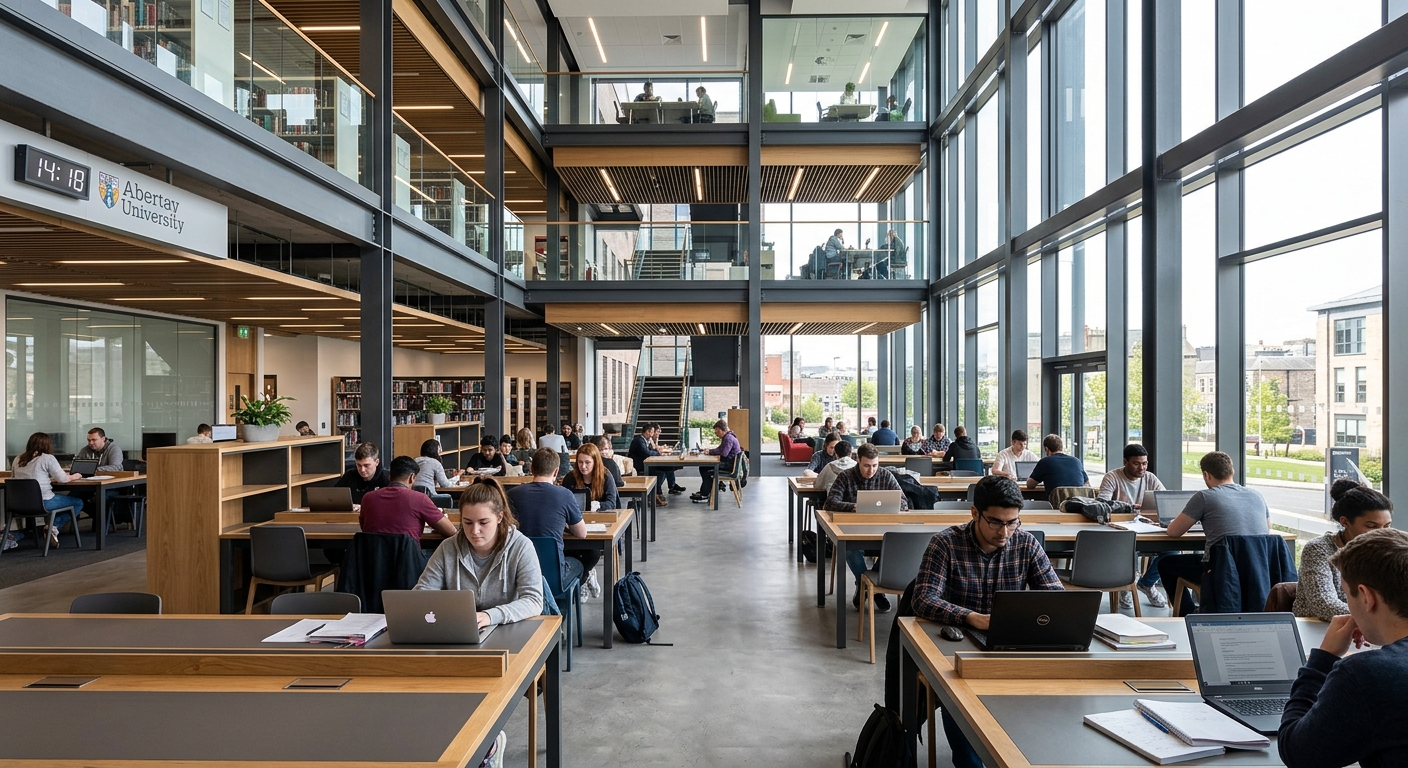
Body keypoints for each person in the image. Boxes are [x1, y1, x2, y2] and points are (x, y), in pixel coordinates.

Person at [911, 476, 1062, 768]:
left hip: (1010, 648)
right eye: (995, 522)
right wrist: (971, 618)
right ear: (974, 513)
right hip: (955, 650)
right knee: (962, 706)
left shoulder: (1026, 543)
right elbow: (923, 598)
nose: (1004, 531)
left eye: (1012, 522)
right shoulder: (946, 543)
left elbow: (1055, 598)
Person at [1277, 527, 1408, 768]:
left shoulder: (1368, 674)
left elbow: (1298, 754)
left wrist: (1323, 658)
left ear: (1366, 597)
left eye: (1348, 596)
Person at [415, 477, 544, 630]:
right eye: (467, 522)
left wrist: (491, 616)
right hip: (461, 629)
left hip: (507, 627)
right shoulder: (448, 547)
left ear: (499, 517)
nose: (474, 531)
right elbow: (421, 595)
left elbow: (534, 600)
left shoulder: (521, 546)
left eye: (483, 522)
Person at [1157, 451, 1271, 615]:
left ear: (1206, 475)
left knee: (1166, 563)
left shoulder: (1204, 496)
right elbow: (1267, 529)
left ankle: (1187, 614)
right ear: (1232, 471)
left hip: (1221, 571)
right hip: (1256, 570)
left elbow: (1174, 531)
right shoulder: (1256, 495)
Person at [824, 443, 908, 612]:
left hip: (882, 530)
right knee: (848, 548)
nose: (871, 470)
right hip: (852, 530)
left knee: (897, 546)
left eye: (875, 465)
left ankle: (866, 586)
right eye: (867, 466)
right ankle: (873, 590)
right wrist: (852, 507)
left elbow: (904, 502)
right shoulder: (845, 476)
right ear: (858, 460)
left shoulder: (885, 475)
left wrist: (893, 506)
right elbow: (830, 502)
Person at [1294, 484, 1393, 621]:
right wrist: (1378, 619)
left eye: (1387, 526)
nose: (1381, 533)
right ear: (1345, 522)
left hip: (1369, 629)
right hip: (1316, 628)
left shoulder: (1385, 551)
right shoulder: (1319, 549)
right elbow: (1324, 604)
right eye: (1372, 526)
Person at [508, 449, 599, 591]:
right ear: (556, 472)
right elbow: (582, 533)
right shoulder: (565, 495)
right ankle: (562, 607)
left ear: (532, 469)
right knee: (579, 564)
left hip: (519, 573)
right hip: (554, 574)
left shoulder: (512, 494)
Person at [1096, 443, 1169, 608]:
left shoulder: (1150, 478)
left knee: (1172, 550)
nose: (1141, 467)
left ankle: (1146, 583)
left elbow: (1164, 499)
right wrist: (1132, 507)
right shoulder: (1112, 477)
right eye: (1137, 463)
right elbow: (1102, 503)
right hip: (1120, 529)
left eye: (1144, 463)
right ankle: (1127, 586)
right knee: (1130, 545)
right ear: (1125, 462)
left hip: (1147, 527)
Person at [11, 432, 85, 549]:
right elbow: (63, 479)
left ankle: (48, 527)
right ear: (47, 445)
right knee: (78, 503)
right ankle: (53, 526)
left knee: (65, 501)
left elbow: (16, 479)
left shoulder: (17, 459)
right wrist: (74, 476)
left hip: (19, 504)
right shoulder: (47, 458)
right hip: (43, 502)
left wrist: (48, 479)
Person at [359, 456, 458, 541]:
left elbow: (364, 528)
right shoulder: (420, 499)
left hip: (373, 560)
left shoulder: (367, 498)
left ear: (389, 477)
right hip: (408, 561)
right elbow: (451, 531)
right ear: (412, 477)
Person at [690, 419, 742, 503]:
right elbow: (720, 449)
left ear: (722, 430)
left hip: (729, 466)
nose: (716, 434)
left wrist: (710, 452)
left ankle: (705, 494)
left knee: (705, 470)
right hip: (730, 463)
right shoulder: (728, 437)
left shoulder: (728, 438)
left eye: (717, 432)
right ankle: (708, 490)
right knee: (703, 468)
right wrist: (709, 451)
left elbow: (724, 453)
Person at [630, 423, 681, 505]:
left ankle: (658, 492)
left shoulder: (645, 440)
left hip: (645, 463)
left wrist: (657, 451)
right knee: (660, 471)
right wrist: (658, 453)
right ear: (647, 432)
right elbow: (646, 453)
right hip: (640, 465)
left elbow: (651, 450)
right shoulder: (639, 440)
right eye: (652, 432)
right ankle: (657, 493)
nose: (653, 434)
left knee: (667, 468)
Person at [1025, 434, 1089, 500]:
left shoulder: (1045, 462)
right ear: (1061, 447)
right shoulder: (1076, 461)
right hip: (1078, 505)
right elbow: (1087, 484)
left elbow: (1030, 485)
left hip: (1055, 506)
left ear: (1046, 449)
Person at [561, 443, 619, 511]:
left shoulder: (606, 477)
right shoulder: (570, 477)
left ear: (595, 463)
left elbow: (612, 503)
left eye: (587, 462)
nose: (583, 466)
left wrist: (599, 505)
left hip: (602, 517)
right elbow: (563, 501)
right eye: (580, 462)